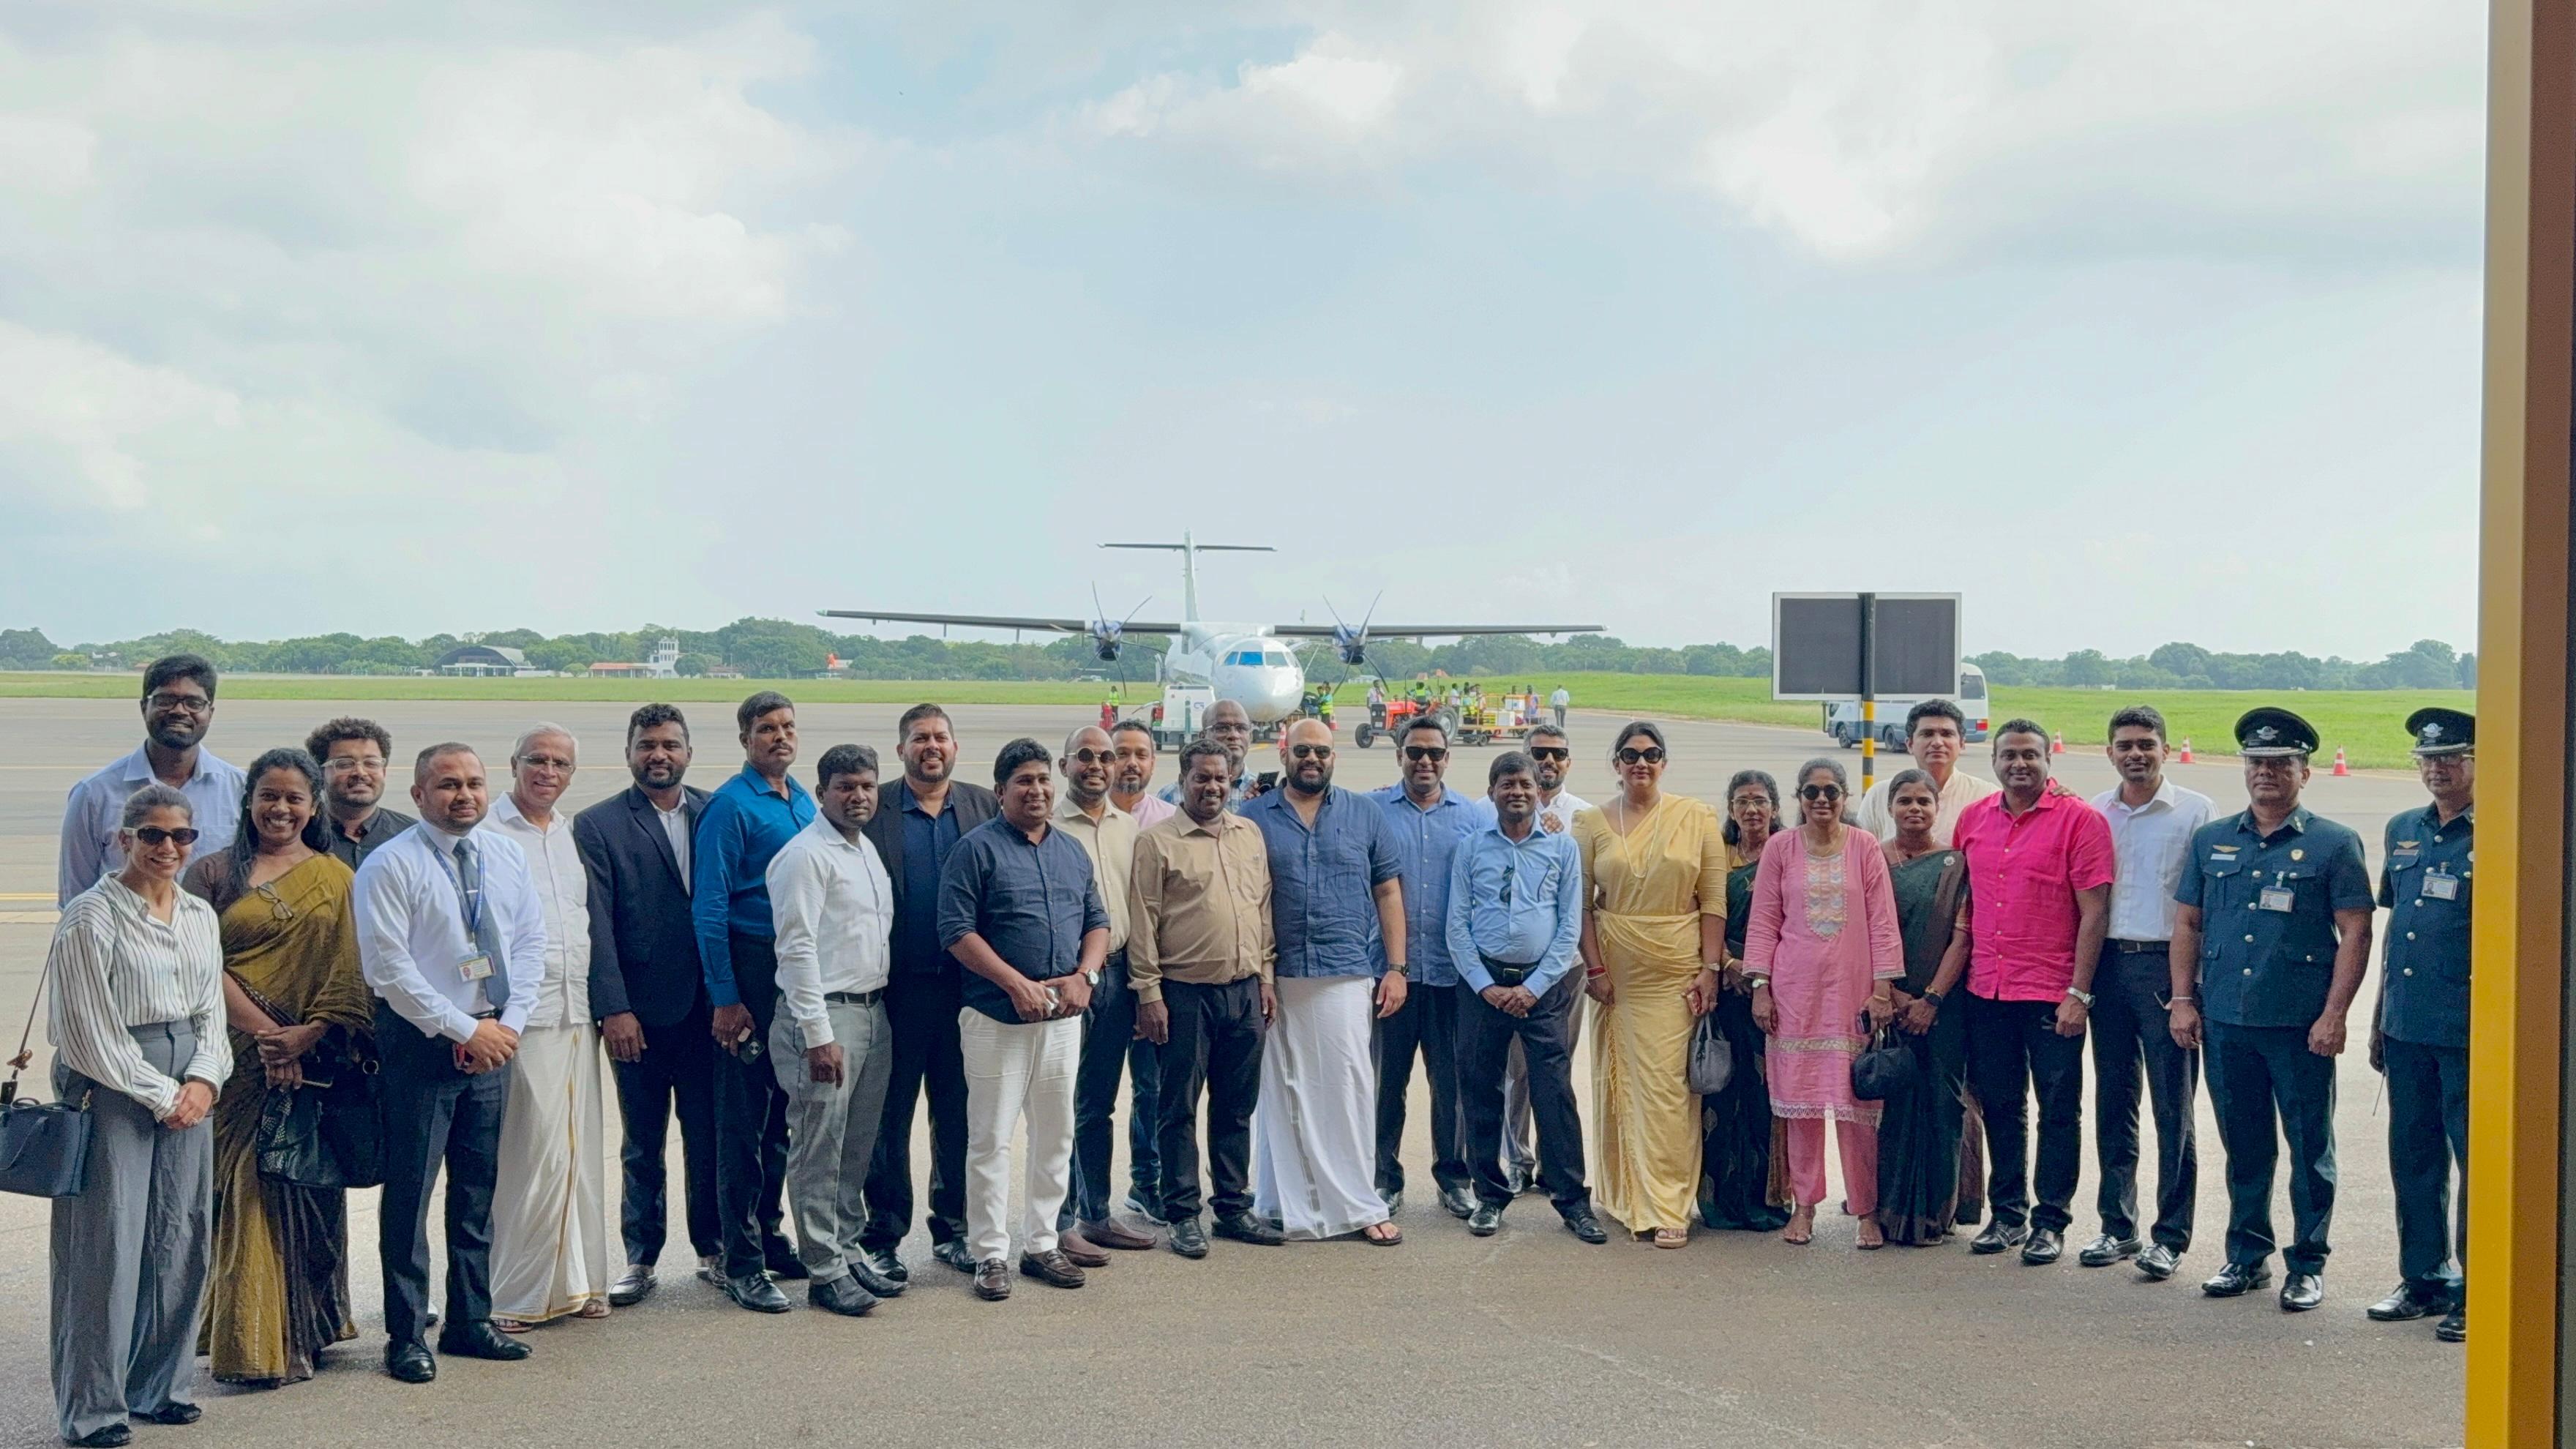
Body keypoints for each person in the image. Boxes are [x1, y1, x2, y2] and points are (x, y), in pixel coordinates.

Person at [44, 785, 231, 1447]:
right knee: (105, 1249)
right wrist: (164, 1094)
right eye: (152, 834)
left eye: (182, 836)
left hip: (190, 1084)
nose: (168, 847)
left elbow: (211, 1011)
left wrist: (205, 1079)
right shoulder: (90, 918)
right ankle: (94, 1408)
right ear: (125, 839)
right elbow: (88, 1033)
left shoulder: (199, 914)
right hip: (113, 1086)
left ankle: (162, 1385)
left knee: (181, 1235)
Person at [353, 744, 544, 1383]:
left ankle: (470, 1320)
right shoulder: (390, 865)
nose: (464, 795)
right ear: (418, 795)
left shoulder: (504, 856)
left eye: (473, 783)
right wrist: (464, 1029)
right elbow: (388, 970)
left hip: (494, 1042)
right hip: (421, 1045)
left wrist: (508, 1027)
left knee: (476, 1191)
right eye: (447, 785)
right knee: (411, 1193)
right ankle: (406, 1335)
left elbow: (530, 943)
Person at [179, 749, 372, 1387]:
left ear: (314, 807)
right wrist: (269, 1039)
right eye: (269, 795)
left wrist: (308, 1036)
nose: (281, 809)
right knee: (246, 1188)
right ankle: (253, 1341)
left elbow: (352, 970)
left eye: (294, 798)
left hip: (316, 1058)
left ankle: (310, 1328)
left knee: (308, 1186)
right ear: (249, 801)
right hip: (233, 1059)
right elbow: (196, 963)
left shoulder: (337, 878)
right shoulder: (213, 873)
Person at [2171, 707, 2373, 1312]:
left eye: (2281, 763)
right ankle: (2246, 1256)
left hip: (2298, 1025)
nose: (2267, 772)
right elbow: (2188, 923)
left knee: (2310, 1150)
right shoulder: (2212, 840)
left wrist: (2335, 1015)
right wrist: (2182, 1000)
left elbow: (2355, 932)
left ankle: (2307, 1263)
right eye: (2257, 762)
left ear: (2304, 773)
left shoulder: (2333, 843)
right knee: (2245, 1147)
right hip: (2227, 1021)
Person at [938, 739, 1111, 1300]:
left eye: (1042, 780)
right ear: (1000, 791)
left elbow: (1098, 922)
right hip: (996, 1018)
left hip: (1062, 1021)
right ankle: (989, 1253)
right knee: (991, 1139)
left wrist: (1085, 977)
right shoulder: (975, 851)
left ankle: (1041, 1243)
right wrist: (1016, 984)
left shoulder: (1070, 851)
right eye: (1024, 782)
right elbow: (956, 931)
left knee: (1056, 1133)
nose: (1036, 791)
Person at [1952, 719, 2114, 1267]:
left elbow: (2095, 913)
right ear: (1994, 762)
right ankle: (2007, 1214)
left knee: (2058, 1109)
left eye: (2030, 755)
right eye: (2009, 755)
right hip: (1987, 987)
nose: (2019, 764)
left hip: (2051, 990)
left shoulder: (2080, 820)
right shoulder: (1974, 819)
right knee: (2001, 1105)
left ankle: (2051, 1220)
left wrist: (2079, 993)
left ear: (2048, 761)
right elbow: (1963, 903)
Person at [574, 704, 722, 1307]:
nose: (658, 755)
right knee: (642, 1143)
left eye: (669, 744)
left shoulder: (716, 810)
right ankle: (641, 1257)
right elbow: (596, 923)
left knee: (709, 1137)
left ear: (688, 752)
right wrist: (613, 1008)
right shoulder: (598, 824)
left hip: (711, 1011)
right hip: (638, 1015)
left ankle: (714, 1248)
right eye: (647, 745)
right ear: (630, 753)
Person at [1241, 716, 1407, 1245]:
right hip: (1278, 974)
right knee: (1283, 1093)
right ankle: (1282, 1203)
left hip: (1345, 971)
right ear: (1284, 754)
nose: (1311, 759)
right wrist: (1259, 974)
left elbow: (1388, 892)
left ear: (1334, 756)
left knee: (1347, 1090)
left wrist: (1397, 969)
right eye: (1302, 750)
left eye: (1321, 751)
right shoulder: (1252, 817)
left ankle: (1358, 1204)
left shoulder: (1365, 814)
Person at [858, 704, 999, 1282]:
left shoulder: (984, 807)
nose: (931, 746)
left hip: (966, 993)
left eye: (941, 737)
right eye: (920, 738)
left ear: (955, 747)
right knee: (888, 1119)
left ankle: (954, 1229)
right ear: (902, 750)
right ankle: (883, 1236)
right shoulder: (875, 808)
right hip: (898, 992)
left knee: (959, 1112)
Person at [1575, 721, 1726, 1248]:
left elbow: (1713, 901)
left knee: (1667, 1093)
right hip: (1617, 976)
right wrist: (1594, 969)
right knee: (1623, 1086)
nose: (1641, 762)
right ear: (1616, 764)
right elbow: (1581, 906)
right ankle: (1628, 1196)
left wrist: (1711, 969)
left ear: (1664, 762)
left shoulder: (1696, 817)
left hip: (1676, 971)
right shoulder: (1590, 823)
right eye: (1631, 754)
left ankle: (1668, 1205)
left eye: (1652, 753)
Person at [764, 744, 902, 1315]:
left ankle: (847, 1249)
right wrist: (818, 1035)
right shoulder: (805, 856)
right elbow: (796, 949)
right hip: (824, 1017)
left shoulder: (864, 850)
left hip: (871, 1011)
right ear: (821, 793)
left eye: (867, 785)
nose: (858, 796)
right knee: (819, 1146)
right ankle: (823, 1268)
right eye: (845, 786)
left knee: (855, 1144)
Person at [1743, 758, 1903, 1249]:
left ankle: (1865, 1210)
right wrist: (1761, 986)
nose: (1821, 800)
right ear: (1799, 798)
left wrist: (1882, 990)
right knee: (1802, 1105)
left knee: (1858, 1104)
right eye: (1811, 792)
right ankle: (1805, 1206)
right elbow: (1764, 920)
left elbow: (1882, 921)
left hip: (1852, 993)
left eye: (1831, 791)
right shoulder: (1781, 848)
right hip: (1794, 994)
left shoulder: (1864, 846)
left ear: (1845, 797)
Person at [1129, 737, 1280, 1257]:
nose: (1212, 787)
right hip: (1184, 995)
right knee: (1178, 1109)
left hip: (1244, 992)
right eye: (1202, 778)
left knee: (1237, 1106)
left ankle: (1233, 1208)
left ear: (1232, 780)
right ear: (1183, 781)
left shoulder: (1248, 834)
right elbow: (1143, 923)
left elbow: (1261, 908)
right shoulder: (1157, 842)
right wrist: (1149, 994)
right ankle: (1182, 1213)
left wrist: (1265, 977)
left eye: (1221, 778)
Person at [692, 692, 816, 1313]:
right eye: (767, 729)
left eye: (788, 726)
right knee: (741, 1123)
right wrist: (726, 997)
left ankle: (770, 1235)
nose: (780, 737)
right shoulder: (730, 806)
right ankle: (740, 1262)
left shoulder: (803, 801)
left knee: (780, 1118)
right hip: (748, 966)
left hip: (794, 969)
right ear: (745, 739)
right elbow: (710, 906)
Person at [483, 725, 610, 1330]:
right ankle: (515, 1294)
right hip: (521, 1019)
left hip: (575, 1011)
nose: (548, 772)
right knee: (529, 1158)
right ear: (514, 763)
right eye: (537, 760)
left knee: (579, 1156)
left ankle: (580, 1282)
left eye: (561, 763)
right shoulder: (487, 833)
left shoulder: (567, 833)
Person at [1446, 752, 1601, 1242]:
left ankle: (1572, 1200)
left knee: (1554, 1093)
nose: (1517, 792)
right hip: (1484, 988)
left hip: (1543, 988)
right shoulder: (1472, 848)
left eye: (1526, 784)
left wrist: (1533, 988)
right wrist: (1485, 986)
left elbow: (1569, 925)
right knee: (1480, 1091)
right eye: (1507, 783)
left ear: (1539, 792)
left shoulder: (1562, 848)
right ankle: (1490, 1196)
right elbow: (1457, 925)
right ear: (1492, 791)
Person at [2084, 706, 2212, 1278]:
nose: (2136, 754)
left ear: (2165, 748)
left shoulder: (2195, 812)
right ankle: (2117, 1226)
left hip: (2167, 968)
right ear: (2110, 752)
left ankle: (2171, 1235)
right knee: (2114, 1100)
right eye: (2125, 745)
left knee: (2172, 1106)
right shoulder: (2094, 811)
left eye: (2146, 744)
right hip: (2108, 964)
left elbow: (2202, 907)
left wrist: (2189, 991)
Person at [2367, 707, 2475, 1343]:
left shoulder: (2502, 827)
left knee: (2477, 1164)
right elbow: (2397, 929)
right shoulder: (2404, 829)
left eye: (2452, 757)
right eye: (2428, 759)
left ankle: (2478, 1287)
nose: (2438, 768)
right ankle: (2423, 1279)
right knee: (2413, 1159)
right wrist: (2380, 1016)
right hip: (2408, 1026)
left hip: (2468, 1029)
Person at [1368, 716, 1481, 1219]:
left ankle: (1453, 1178)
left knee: (1451, 1085)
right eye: (1415, 752)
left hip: (1451, 975)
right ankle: (1384, 1178)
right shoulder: (1372, 811)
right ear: (1399, 756)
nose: (1425, 761)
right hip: (1389, 974)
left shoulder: (1472, 817)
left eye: (1435, 752)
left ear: (1448, 758)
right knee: (1386, 1084)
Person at [1050, 726, 1156, 1259]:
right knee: (1058, 1105)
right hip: (1067, 980)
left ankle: (1095, 1214)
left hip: (1117, 977)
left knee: (1098, 1104)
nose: (1097, 765)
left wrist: (1141, 984)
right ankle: (1058, 1220)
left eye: (1105, 757)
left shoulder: (1128, 829)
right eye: (1085, 756)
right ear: (1065, 765)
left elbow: (1139, 910)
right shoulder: (1049, 826)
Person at [1491, 722, 1595, 1194]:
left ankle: (1556, 1164)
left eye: (1558, 754)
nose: (1549, 761)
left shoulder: (1585, 816)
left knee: (1556, 1069)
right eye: (1539, 753)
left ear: (1569, 761)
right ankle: (1518, 1157)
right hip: (1513, 967)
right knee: (1517, 1069)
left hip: (1566, 968)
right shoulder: (1497, 809)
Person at [1873, 770, 1974, 1246]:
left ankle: (1937, 1212)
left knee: (1943, 1104)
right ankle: (1889, 1211)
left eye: (1923, 801)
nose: (1914, 809)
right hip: (1887, 1001)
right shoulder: (1873, 858)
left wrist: (1931, 998)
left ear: (1937, 808)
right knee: (1893, 1105)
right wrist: (1891, 995)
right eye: (1905, 801)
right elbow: (1862, 932)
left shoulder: (1955, 863)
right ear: (1890, 807)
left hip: (1944, 1005)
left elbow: (1962, 937)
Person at [59, 654, 246, 907]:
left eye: (194, 703)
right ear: (143, 707)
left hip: (212, 932)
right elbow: (75, 899)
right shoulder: (94, 794)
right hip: (122, 932)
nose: (179, 711)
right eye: (165, 700)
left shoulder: (240, 790)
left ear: (210, 713)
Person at [1700, 769, 1791, 1233]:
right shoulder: (1717, 855)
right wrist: (1729, 965)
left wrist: (1762, 976)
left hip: (1777, 991)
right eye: (1742, 801)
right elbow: (1699, 914)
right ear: (1731, 809)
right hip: (1725, 987)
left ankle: (1766, 1199)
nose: (1752, 810)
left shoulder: (1790, 852)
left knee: (1767, 1097)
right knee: (1722, 1093)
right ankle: (1721, 1202)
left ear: (1775, 806)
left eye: (1760, 800)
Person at [1104, 717, 1171, 1218]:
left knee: (1153, 1086)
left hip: (1156, 975)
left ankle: (1147, 1180)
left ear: (1153, 762)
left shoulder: (1170, 821)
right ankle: (1081, 1197)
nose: (1130, 763)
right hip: (1102, 972)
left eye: (1140, 754)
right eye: (1120, 753)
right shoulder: (1087, 819)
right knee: (1092, 1094)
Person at [1852, 699, 2001, 847]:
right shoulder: (1879, 795)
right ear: (1910, 744)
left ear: (1962, 744)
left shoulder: (1987, 796)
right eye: (1927, 734)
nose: (1937, 742)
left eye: (1947, 734)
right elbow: (1859, 851)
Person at [307, 717, 415, 868]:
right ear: (319, 773)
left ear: (383, 772)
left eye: (371, 763)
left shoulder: (412, 837)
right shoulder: (300, 836)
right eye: (345, 764)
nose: (360, 773)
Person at [1160, 697, 1256, 807]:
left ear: (1250, 737)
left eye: (1242, 728)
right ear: (1203, 737)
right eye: (1222, 728)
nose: (1233, 735)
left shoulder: (1263, 793)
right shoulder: (1172, 796)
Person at [1109, 718, 1178, 828]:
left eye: (1141, 755)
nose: (1132, 763)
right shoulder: (1087, 816)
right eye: (1122, 754)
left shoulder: (1171, 819)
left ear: (1152, 764)